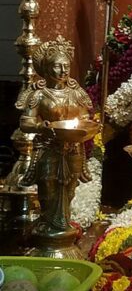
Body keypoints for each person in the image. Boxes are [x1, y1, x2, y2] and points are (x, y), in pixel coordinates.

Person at [19, 36, 93, 237]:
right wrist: (41, 126)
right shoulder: (38, 94)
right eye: (58, 66)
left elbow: (85, 116)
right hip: (48, 146)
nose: (63, 70)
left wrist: (88, 124)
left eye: (66, 66)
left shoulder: (76, 93)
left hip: (73, 147)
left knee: (70, 187)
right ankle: (48, 225)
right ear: (45, 67)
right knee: (48, 184)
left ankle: (64, 224)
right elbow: (25, 122)